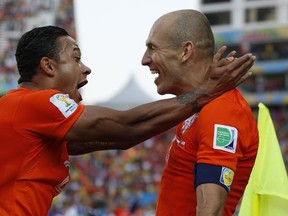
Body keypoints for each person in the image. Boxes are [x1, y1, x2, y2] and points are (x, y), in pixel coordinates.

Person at [0, 25, 255, 215]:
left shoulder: (23, 113)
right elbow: (125, 127)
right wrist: (206, 92)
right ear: (48, 66)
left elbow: (121, 137)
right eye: (77, 59)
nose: (86, 68)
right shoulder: (34, 103)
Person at [141, 9, 259, 216]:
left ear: (185, 51)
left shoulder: (222, 108)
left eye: (152, 48)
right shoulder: (198, 105)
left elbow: (210, 211)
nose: (144, 60)